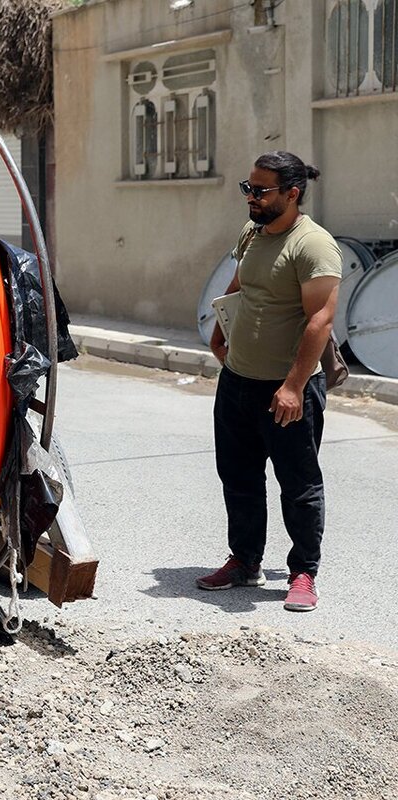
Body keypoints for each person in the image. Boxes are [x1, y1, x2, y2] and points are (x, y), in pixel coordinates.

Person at [199, 151, 342, 612]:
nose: (251, 198)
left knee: (298, 484)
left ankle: (303, 572)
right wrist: (220, 332)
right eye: (248, 188)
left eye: (260, 191)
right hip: (238, 380)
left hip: (287, 388)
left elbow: (320, 319)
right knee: (237, 477)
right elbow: (242, 285)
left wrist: (295, 386)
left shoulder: (313, 245)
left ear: (292, 194)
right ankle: (244, 560)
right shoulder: (254, 232)